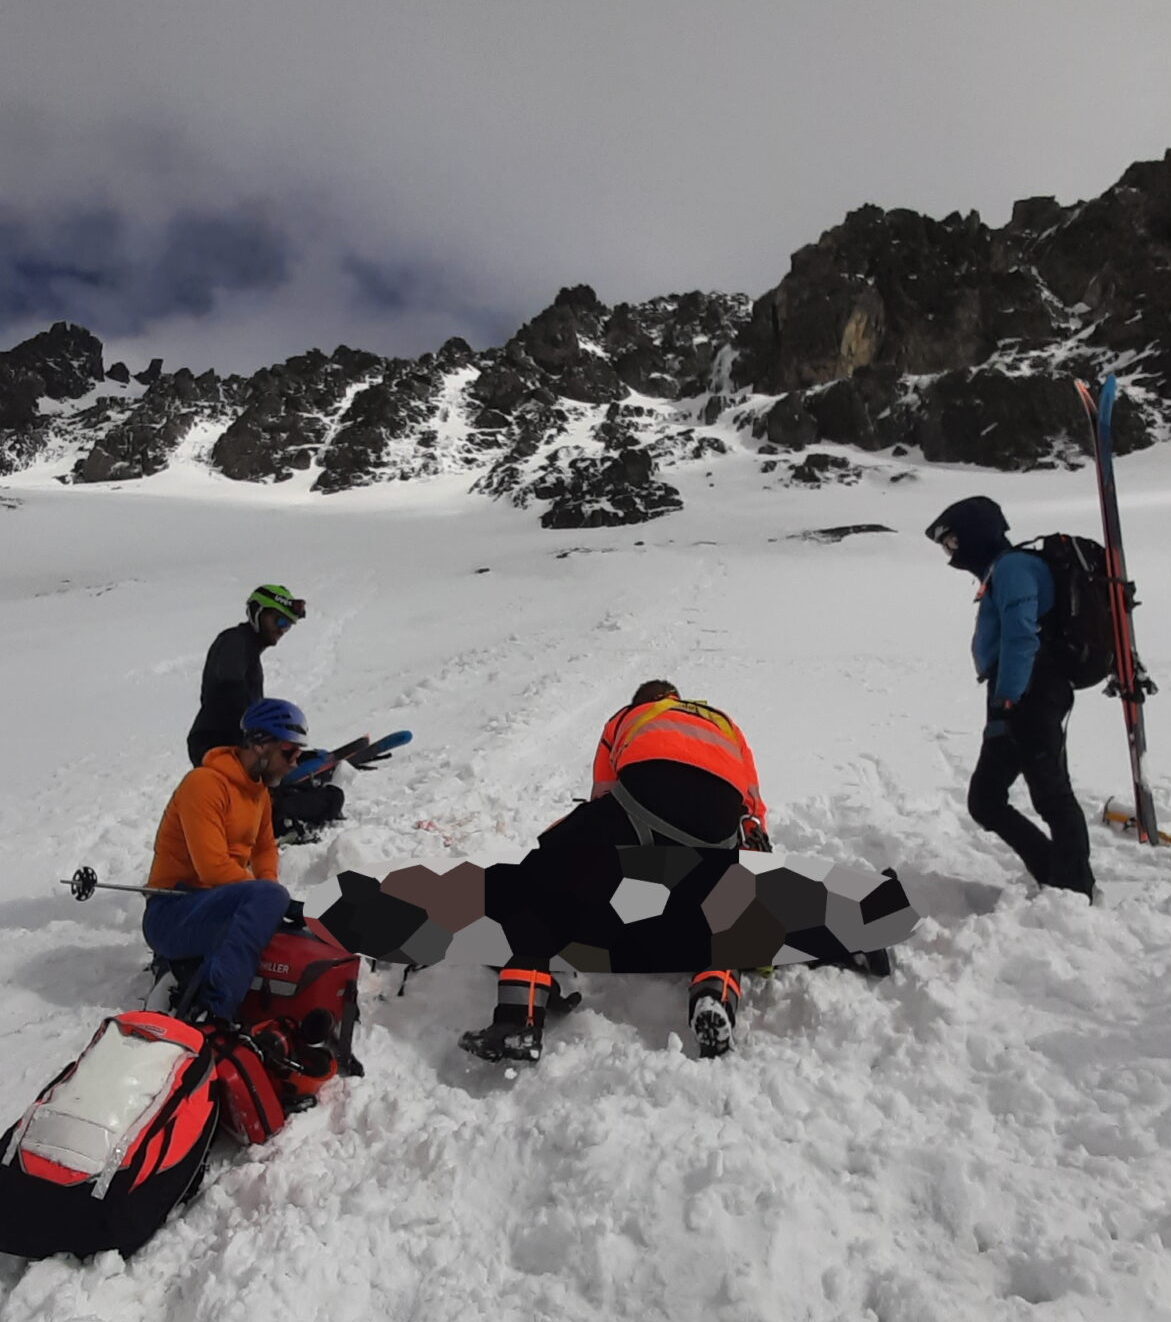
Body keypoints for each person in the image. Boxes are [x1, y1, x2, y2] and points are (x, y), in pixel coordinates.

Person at [458, 681, 769, 1065]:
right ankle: (714, 992)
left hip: (646, 796)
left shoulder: (627, 717)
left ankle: (518, 1018)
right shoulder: (724, 723)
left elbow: (605, 796)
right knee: (720, 910)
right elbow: (753, 811)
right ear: (676, 698)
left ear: (643, 701)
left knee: (548, 874)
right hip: (720, 820)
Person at [926, 496, 1096, 900]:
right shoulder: (1001, 571)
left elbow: (1022, 636)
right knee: (985, 800)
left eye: (953, 542)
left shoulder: (1015, 568)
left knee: (1051, 792)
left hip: (1031, 691)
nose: (952, 553)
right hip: (1015, 692)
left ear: (974, 534)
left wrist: (1008, 698)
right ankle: (1055, 871)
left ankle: (1075, 888)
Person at [144, 698, 309, 1023]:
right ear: (261, 744)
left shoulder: (258, 793)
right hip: (171, 913)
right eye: (290, 752)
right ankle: (214, 1012)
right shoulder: (204, 784)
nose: (294, 763)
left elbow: (264, 850)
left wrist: (270, 895)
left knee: (274, 909)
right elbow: (212, 867)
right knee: (269, 899)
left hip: (217, 906)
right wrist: (270, 897)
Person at [187, 585, 341, 840]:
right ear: (257, 613)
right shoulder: (234, 641)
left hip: (233, 743)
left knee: (319, 797)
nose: (282, 628)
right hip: (218, 743)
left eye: (288, 624)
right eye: (279, 619)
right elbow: (231, 692)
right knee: (322, 800)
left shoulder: (246, 648)